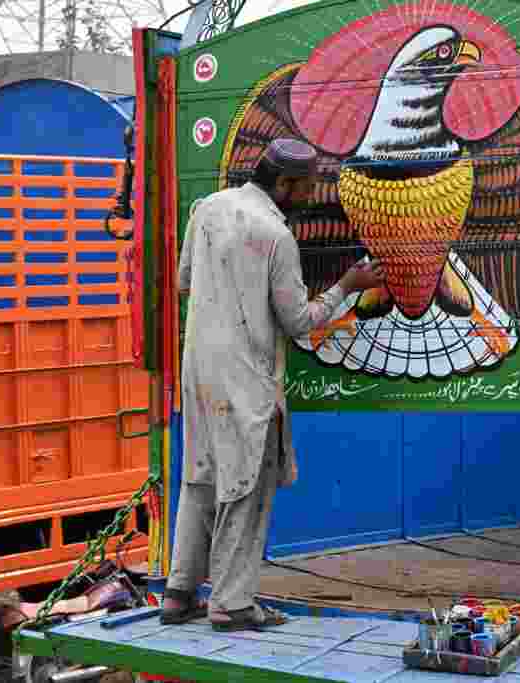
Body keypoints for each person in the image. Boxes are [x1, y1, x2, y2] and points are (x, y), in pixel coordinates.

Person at [161, 138, 385, 632]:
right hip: (246, 378)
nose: (308, 196)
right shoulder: (274, 235)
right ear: (283, 184)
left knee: (201, 478)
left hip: (198, 370)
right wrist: (348, 286)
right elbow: (301, 321)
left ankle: (179, 594)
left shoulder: (209, 208)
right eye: (304, 187)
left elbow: (184, 283)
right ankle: (232, 604)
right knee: (247, 486)